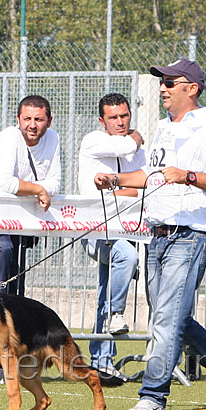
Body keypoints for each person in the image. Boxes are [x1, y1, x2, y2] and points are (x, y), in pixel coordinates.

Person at [94, 57, 206, 410]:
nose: (162, 88)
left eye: (170, 82)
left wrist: (189, 176)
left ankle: (152, 397)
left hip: (193, 235)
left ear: (191, 89)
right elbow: (152, 175)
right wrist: (114, 179)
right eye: (161, 82)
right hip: (158, 236)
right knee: (171, 317)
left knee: (167, 318)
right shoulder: (165, 128)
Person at [77, 93, 145, 378]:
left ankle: (101, 358)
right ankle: (118, 314)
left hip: (129, 228)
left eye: (125, 116)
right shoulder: (94, 140)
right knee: (125, 256)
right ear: (102, 121)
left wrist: (118, 186)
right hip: (95, 231)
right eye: (113, 117)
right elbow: (130, 148)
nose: (120, 122)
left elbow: (142, 184)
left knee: (105, 291)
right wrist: (136, 138)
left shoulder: (136, 145)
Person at [0, 95, 61, 296]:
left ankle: (12, 318)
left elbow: (55, 184)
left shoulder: (53, 138)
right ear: (18, 119)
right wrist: (39, 190)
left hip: (19, 218)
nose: (32, 125)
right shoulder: (9, 136)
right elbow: (5, 183)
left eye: (38, 120)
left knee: (17, 267)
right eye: (27, 119)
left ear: (49, 121)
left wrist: (29, 187)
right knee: (2, 248)